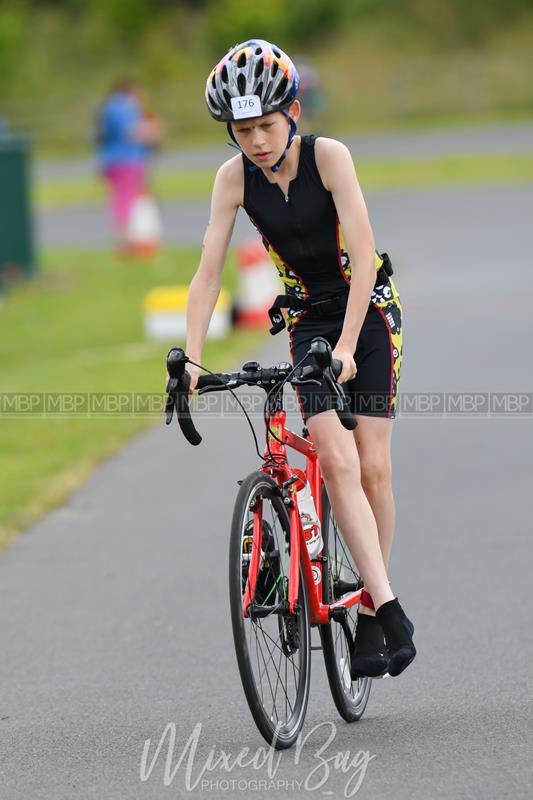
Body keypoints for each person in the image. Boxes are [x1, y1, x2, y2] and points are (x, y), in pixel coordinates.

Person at [186, 39, 416, 679]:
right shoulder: (233, 179)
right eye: (242, 130)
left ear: (292, 111)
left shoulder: (329, 157)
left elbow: (365, 256)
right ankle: (391, 607)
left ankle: (372, 612)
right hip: (310, 319)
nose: (255, 141)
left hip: (367, 313)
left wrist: (347, 347)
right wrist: (194, 359)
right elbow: (208, 273)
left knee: (371, 464)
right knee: (333, 456)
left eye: (265, 125)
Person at [95, 78, 164, 249]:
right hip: (125, 160)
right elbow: (132, 131)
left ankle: (126, 237)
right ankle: (124, 239)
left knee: (120, 198)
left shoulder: (109, 106)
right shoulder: (122, 106)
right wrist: (153, 131)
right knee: (125, 200)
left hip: (112, 159)